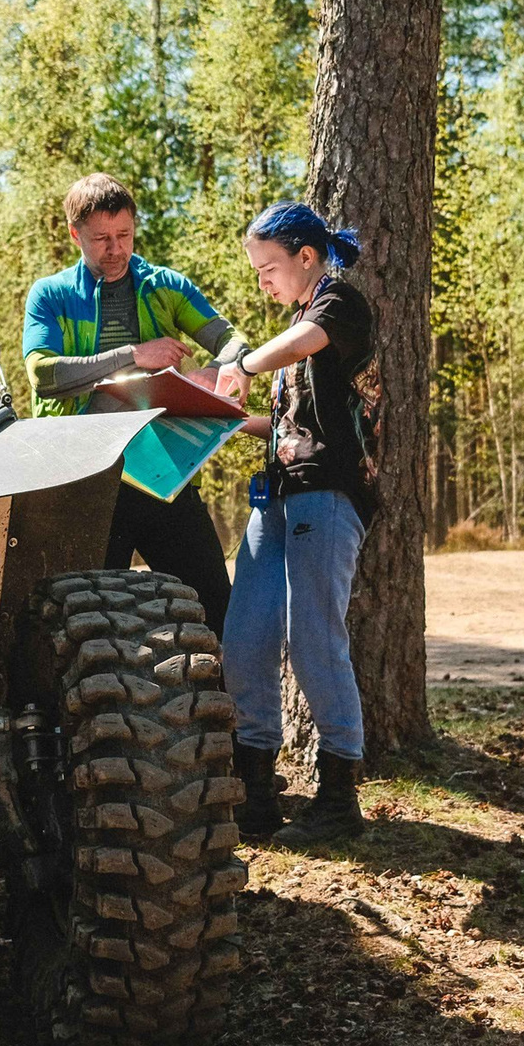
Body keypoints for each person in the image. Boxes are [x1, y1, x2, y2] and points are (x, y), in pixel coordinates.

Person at [216, 201, 379, 849]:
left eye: (268, 268)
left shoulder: (339, 303)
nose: (263, 281)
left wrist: (247, 364)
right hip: (275, 495)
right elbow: (287, 424)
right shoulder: (293, 329)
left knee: (315, 637)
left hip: (329, 492)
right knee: (246, 634)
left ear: (307, 257)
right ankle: (256, 783)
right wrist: (218, 419)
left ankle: (339, 792)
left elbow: (307, 345)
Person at [21, 173, 249, 630]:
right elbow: (43, 374)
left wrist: (220, 372)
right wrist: (133, 356)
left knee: (218, 610)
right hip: (84, 480)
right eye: (101, 238)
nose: (115, 248)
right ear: (75, 235)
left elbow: (234, 343)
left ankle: (226, 702)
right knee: (87, 619)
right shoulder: (51, 294)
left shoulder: (165, 285)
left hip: (164, 470)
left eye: (124, 235)